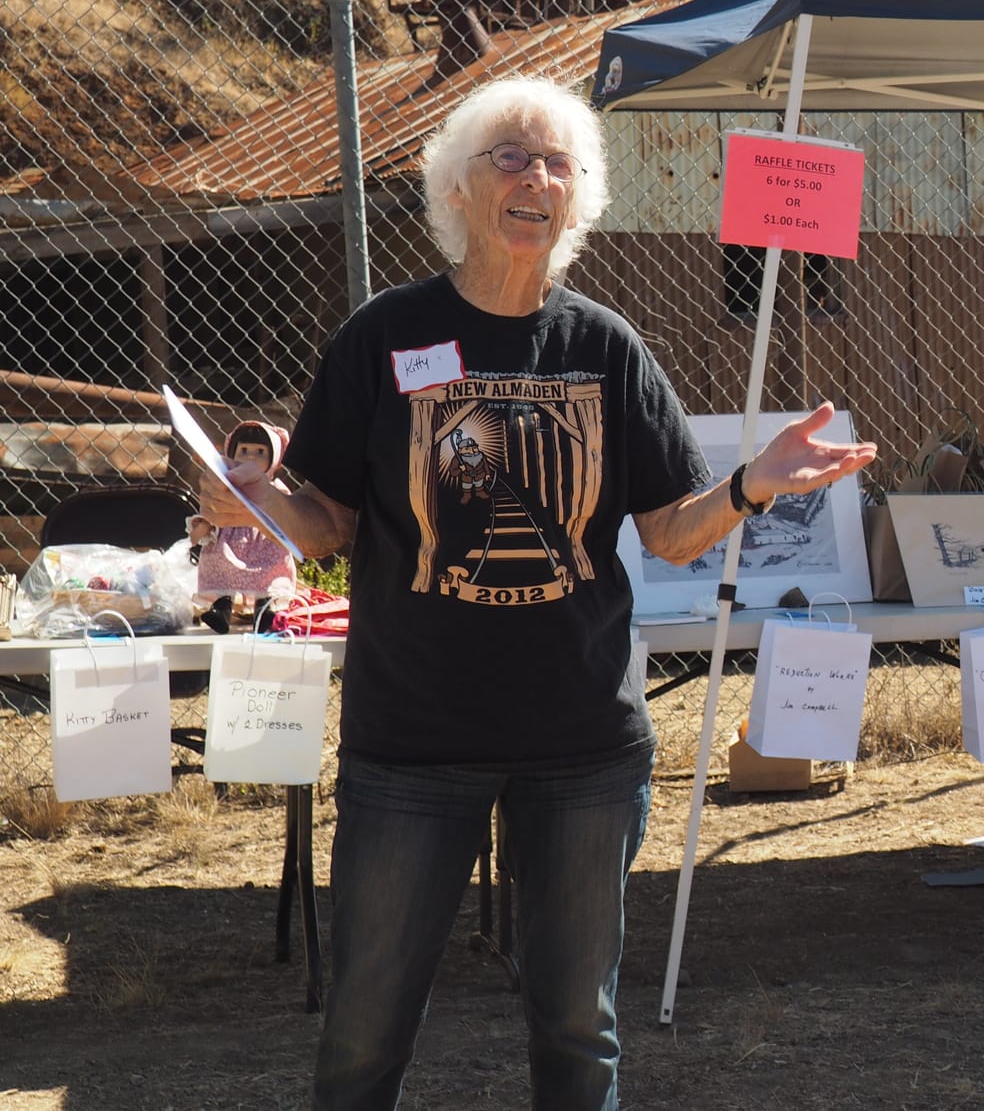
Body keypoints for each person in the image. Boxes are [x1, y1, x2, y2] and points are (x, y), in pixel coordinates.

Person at [214, 76, 876, 1111]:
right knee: (362, 1032)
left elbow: (665, 528)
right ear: (457, 191)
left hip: (581, 745)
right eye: (510, 157)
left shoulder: (602, 346)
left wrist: (749, 485)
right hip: (411, 744)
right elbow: (330, 526)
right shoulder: (383, 338)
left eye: (558, 162)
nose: (535, 178)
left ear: (579, 200)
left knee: (578, 1033)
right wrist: (249, 499)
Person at [187, 419, 297, 634]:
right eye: (244, 450)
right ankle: (221, 608)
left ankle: (265, 610)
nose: (250, 457)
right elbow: (212, 510)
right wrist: (202, 528)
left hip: (265, 541)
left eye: (260, 452)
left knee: (269, 572)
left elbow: (286, 512)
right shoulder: (225, 487)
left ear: (274, 459)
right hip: (230, 540)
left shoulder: (275, 490)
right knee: (220, 564)